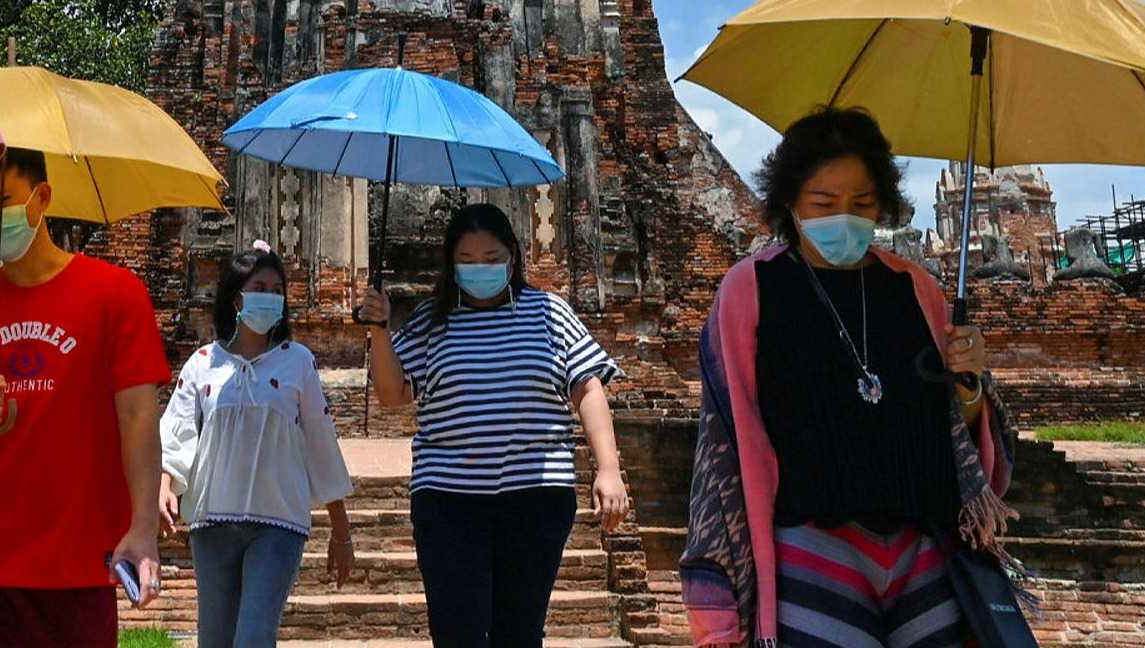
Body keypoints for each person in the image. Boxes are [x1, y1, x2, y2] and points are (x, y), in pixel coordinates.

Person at [679, 108, 1015, 648]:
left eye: (861, 204)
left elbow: (962, 430)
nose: (845, 217)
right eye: (823, 203)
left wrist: (970, 381)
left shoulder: (918, 290)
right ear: (790, 203)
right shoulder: (752, 290)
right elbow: (725, 439)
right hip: (810, 545)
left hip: (921, 546)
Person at [359, 203, 627, 648]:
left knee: (518, 631)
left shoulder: (548, 313)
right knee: (456, 630)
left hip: (536, 495)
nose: (478, 269)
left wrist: (608, 469)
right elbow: (393, 395)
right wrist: (381, 330)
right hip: (448, 497)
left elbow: (588, 387)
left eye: (490, 259)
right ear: (450, 264)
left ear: (513, 258)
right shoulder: (431, 320)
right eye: (466, 260)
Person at [0, 147, 170, 648]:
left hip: (77, 562)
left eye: (2, 201)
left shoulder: (115, 294)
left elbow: (138, 418)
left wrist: (142, 528)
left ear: (42, 198)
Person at [160, 244, 356, 648]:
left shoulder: (297, 362)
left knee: (253, 637)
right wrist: (165, 485)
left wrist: (341, 529)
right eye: (260, 287)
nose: (270, 296)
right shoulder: (202, 363)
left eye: (277, 289)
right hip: (213, 521)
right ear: (237, 298)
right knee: (214, 639)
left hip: (277, 523)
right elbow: (179, 432)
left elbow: (320, 441)